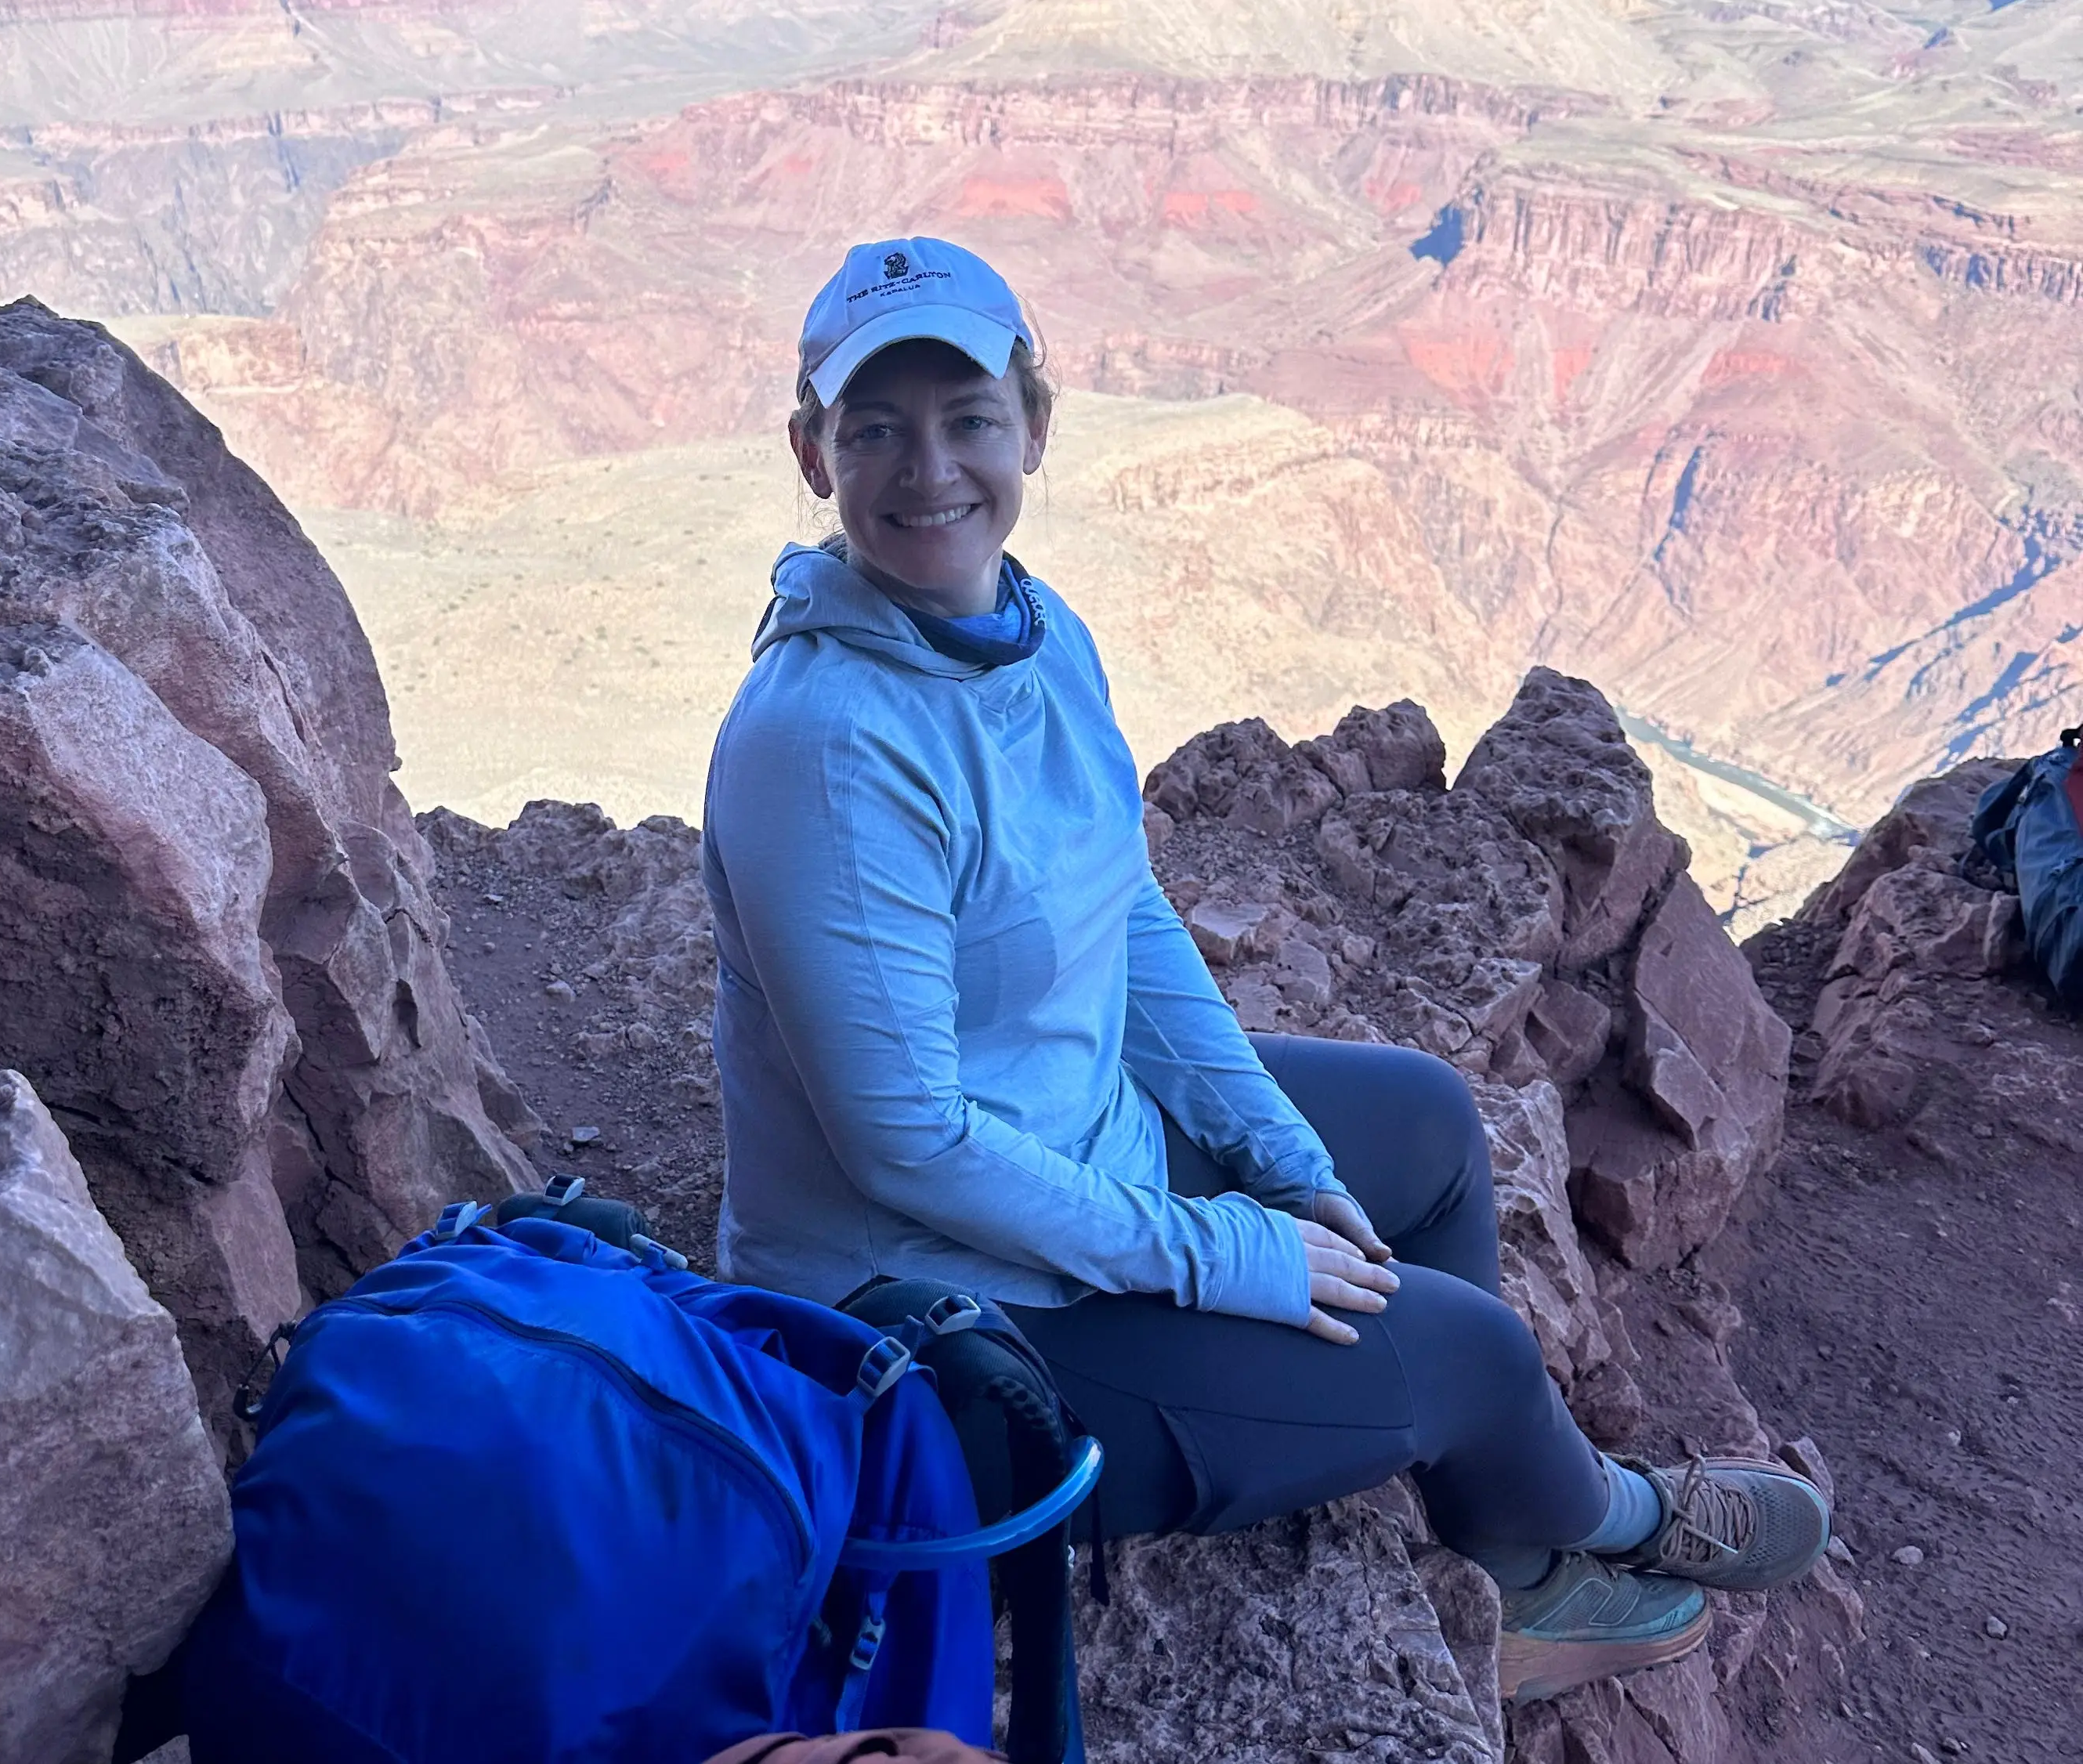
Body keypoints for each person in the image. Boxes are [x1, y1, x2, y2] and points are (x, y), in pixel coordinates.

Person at [698, 236, 1829, 1704]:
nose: (930, 470)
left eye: (968, 416)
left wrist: (1275, 1158)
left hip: (1067, 1146)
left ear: (1034, 424)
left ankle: (1491, 1553)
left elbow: (1129, 920)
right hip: (929, 1321)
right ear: (812, 451)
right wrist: (1226, 1251)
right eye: (875, 428)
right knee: (1476, 1352)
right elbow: (904, 1144)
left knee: (1423, 1129)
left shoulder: (1032, 639)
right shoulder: (827, 746)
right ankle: (1601, 1516)